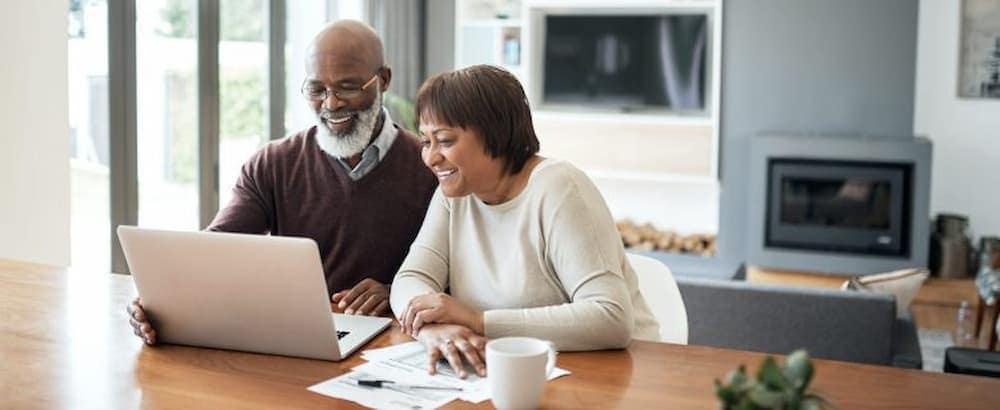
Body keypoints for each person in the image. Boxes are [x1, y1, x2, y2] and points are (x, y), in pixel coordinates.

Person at [127, 20, 437, 345]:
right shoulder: (273, 164)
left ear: (383, 80)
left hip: (392, 345)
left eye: (347, 87)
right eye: (316, 90)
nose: (331, 104)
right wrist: (160, 300)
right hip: (296, 340)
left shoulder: (431, 167)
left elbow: (458, 280)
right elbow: (215, 251)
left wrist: (399, 292)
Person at [390, 65, 659, 378]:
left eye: (445, 141)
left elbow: (611, 318)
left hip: (620, 372)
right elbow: (411, 277)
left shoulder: (559, 188)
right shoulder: (454, 195)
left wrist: (477, 321)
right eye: (426, 141)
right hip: (516, 370)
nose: (430, 157)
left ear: (495, 134)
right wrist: (433, 329)